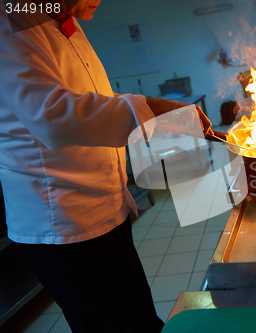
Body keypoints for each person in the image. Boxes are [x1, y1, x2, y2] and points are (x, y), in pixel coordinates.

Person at [0, 1, 212, 332]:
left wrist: (158, 108)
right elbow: (54, 116)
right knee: (106, 327)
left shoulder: (59, 19)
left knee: (140, 319)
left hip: (105, 206)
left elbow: (91, 97)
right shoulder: (10, 17)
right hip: (62, 220)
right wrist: (153, 109)